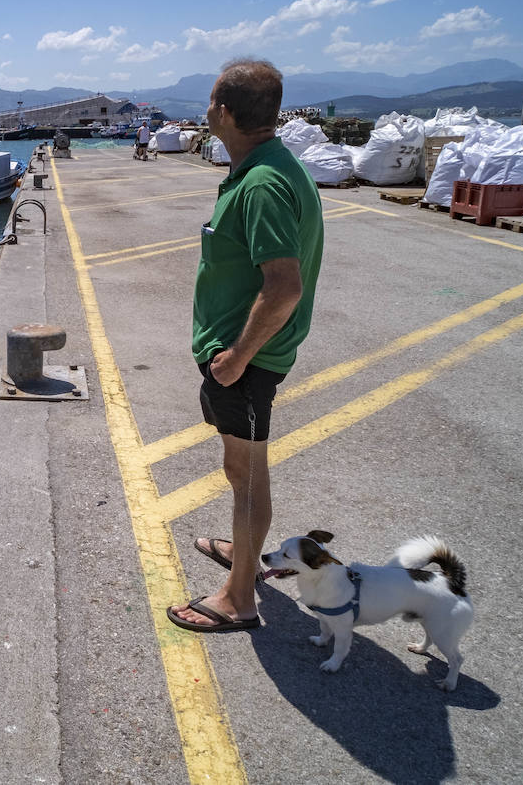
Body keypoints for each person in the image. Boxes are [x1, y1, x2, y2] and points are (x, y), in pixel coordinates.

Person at [166, 58, 324, 633]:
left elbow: (284, 286)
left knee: (247, 472)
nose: (206, 111)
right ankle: (246, 550)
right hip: (243, 356)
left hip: (247, 362)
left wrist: (234, 359)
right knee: (242, 470)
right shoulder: (270, 165)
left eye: (210, 102)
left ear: (226, 112)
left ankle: (239, 599)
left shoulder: (261, 183)